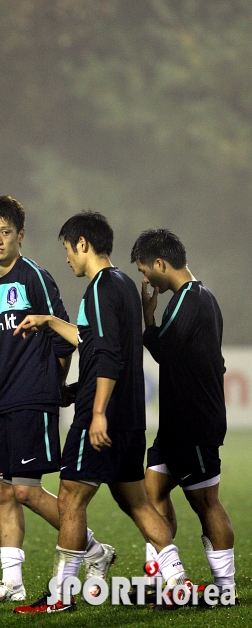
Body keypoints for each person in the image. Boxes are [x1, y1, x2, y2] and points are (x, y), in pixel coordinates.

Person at [12, 212, 191, 614]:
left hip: (103, 418)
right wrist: (48, 320)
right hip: (130, 417)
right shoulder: (123, 285)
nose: (67, 259)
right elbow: (90, 339)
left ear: (82, 244)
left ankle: (59, 597)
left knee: (70, 501)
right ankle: (178, 579)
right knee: (139, 504)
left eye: (66, 249)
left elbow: (107, 355)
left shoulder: (97, 290)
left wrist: (95, 413)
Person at [0, 197, 115, 603]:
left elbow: (65, 337)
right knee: (2, 489)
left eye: (5, 232)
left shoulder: (35, 278)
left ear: (20, 235)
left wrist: (54, 385)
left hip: (33, 398)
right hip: (3, 399)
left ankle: (96, 550)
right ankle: (12, 583)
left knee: (26, 491)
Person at [130, 228, 238, 606]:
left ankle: (225, 588)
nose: (145, 279)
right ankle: (160, 582)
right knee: (150, 494)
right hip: (175, 425)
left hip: (194, 424)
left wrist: (147, 319)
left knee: (206, 504)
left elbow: (164, 349)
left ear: (161, 263)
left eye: (145, 270)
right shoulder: (195, 298)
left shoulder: (191, 299)